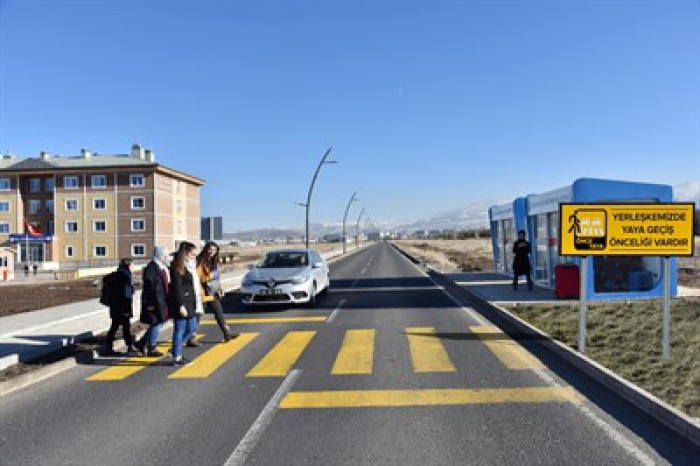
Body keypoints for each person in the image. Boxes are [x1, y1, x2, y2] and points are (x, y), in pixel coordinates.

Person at [196, 241, 238, 342]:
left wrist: (221, 289)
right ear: (206, 249)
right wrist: (210, 277)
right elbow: (198, 277)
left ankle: (227, 332)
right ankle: (191, 336)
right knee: (198, 315)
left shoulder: (215, 262)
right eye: (210, 249)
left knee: (219, 312)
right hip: (202, 292)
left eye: (214, 250)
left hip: (212, 292)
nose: (212, 251)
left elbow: (217, 278)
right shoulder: (200, 261)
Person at [135, 246, 170, 357]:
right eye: (165, 256)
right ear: (159, 256)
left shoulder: (162, 267)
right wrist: (150, 304)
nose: (166, 258)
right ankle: (151, 347)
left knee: (160, 321)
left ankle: (141, 343)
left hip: (163, 301)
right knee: (156, 322)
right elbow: (150, 287)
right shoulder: (151, 268)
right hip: (154, 302)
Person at [169, 241, 199, 366]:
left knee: (192, 328)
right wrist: (181, 305)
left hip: (190, 303)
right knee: (179, 330)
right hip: (181, 304)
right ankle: (177, 357)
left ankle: (175, 349)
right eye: (192, 254)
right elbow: (177, 288)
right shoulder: (177, 267)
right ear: (185, 253)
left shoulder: (187, 266)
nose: (194, 257)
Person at [103, 258, 136, 356]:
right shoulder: (125, 276)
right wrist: (126, 309)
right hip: (123, 306)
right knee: (125, 327)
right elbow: (126, 294)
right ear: (128, 265)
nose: (133, 267)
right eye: (132, 265)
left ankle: (108, 346)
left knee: (115, 326)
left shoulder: (117, 274)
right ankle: (129, 346)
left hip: (115, 306)